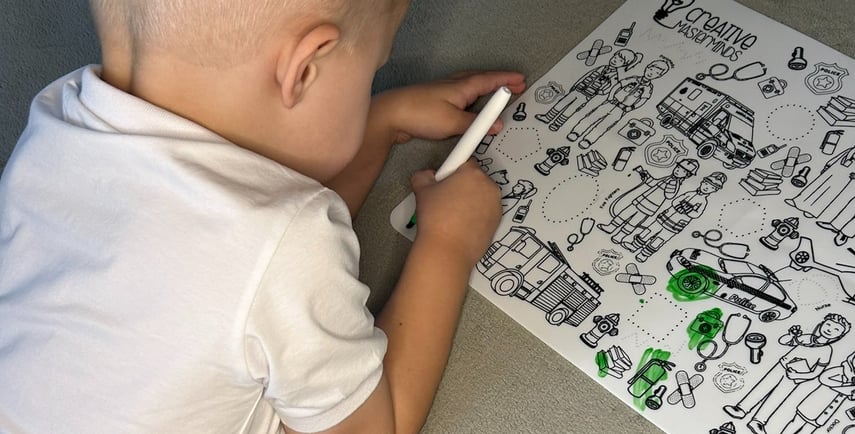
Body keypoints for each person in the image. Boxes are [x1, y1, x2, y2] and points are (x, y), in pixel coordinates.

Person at [0, 1, 527, 433]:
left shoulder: (55, 118)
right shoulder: (290, 248)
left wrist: (381, 121)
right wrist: (448, 246)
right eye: (374, 67)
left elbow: (246, 232)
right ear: (303, 70)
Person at [722, 314, 851, 434]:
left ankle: (758, 421)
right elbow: (784, 341)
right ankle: (741, 409)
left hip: (795, 377)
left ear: (839, 336)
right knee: (762, 387)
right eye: (828, 325)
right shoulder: (806, 337)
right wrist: (791, 335)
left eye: (836, 329)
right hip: (781, 366)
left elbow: (816, 373)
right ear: (822, 324)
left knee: (777, 398)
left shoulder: (826, 351)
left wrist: (798, 376)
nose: (830, 329)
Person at [567, 57, 673, 149]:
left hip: (621, 109)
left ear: (659, 76)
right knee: (592, 116)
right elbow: (618, 85)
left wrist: (631, 108)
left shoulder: (648, 88)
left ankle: (588, 140)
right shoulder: (633, 78)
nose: (651, 73)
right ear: (647, 67)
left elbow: (643, 100)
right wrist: (610, 96)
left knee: (605, 125)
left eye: (656, 73)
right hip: (611, 102)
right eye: (651, 69)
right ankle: (576, 132)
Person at [784, 129, 855, 220]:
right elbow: (838, 157)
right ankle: (798, 201)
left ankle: (812, 210)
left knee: (829, 194)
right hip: (832, 171)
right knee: (816, 186)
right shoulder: (851, 150)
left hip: (843, 178)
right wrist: (827, 166)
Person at [626, 171, 726, 263]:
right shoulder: (689, 193)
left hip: (674, 226)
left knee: (659, 240)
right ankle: (634, 245)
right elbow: (676, 201)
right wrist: (680, 206)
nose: (707, 187)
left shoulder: (703, 202)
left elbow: (696, 214)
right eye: (706, 184)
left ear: (714, 190)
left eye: (712, 187)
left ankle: (644, 254)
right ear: (702, 182)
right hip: (664, 218)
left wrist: (687, 210)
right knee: (648, 231)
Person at [534, 48, 641, 132]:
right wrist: (576, 85)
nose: (615, 60)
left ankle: (557, 124)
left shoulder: (615, 75)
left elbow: (610, 87)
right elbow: (587, 75)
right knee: (561, 102)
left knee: (570, 109)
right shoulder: (601, 67)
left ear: (624, 64)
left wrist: (601, 92)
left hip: (587, 95)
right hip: (579, 89)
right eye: (615, 56)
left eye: (620, 60)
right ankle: (548, 117)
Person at [779, 347, 855, 434]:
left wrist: (854, 395)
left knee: (808, 431)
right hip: (813, 405)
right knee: (795, 424)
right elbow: (823, 378)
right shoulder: (841, 370)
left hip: (827, 412)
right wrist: (843, 386)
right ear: (853, 357)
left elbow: (849, 395)